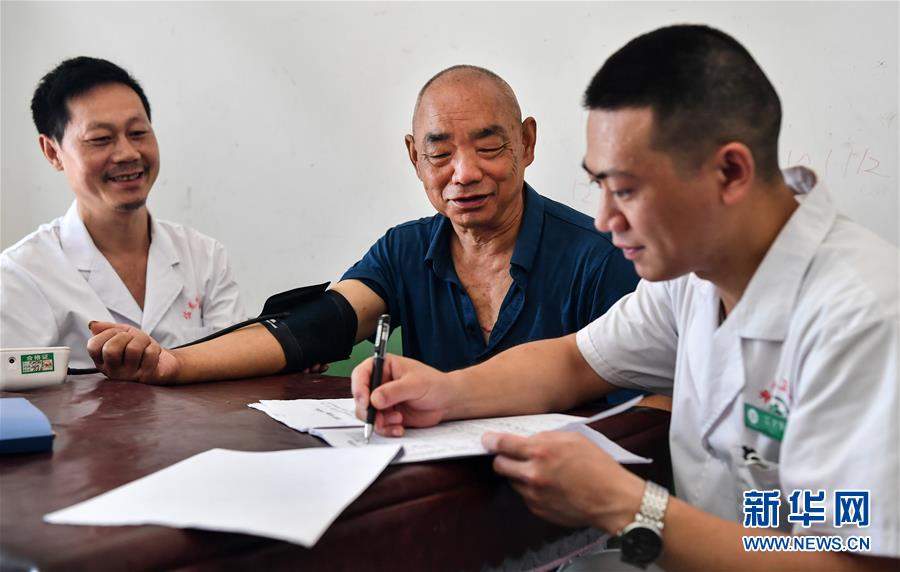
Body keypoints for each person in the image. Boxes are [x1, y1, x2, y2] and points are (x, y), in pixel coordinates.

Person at [350, 26, 898, 570]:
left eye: (627, 190)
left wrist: (627, 506)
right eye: (600, 187)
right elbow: (574, 361)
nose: (606, 220)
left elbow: (853, 565)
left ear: (730, 172)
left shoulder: (863, 316)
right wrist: (443, 392)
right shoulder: (694, 276)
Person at [85, 66, 641, 398]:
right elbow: (318, 326)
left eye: (489, 145)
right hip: (439, 498)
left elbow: (650, 411)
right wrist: (173, 362)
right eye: (440, 152)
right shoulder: (406, 250)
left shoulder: (601, 258)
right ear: (414, 157)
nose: (464, 172)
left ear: (527, 142)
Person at [0, 57, 246, 368]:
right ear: (53, 152)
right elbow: (12, 388)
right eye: (101, 139)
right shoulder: (21, 274)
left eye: (138, 133)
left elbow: (237, 365)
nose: (128, 153)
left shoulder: (204, 257)